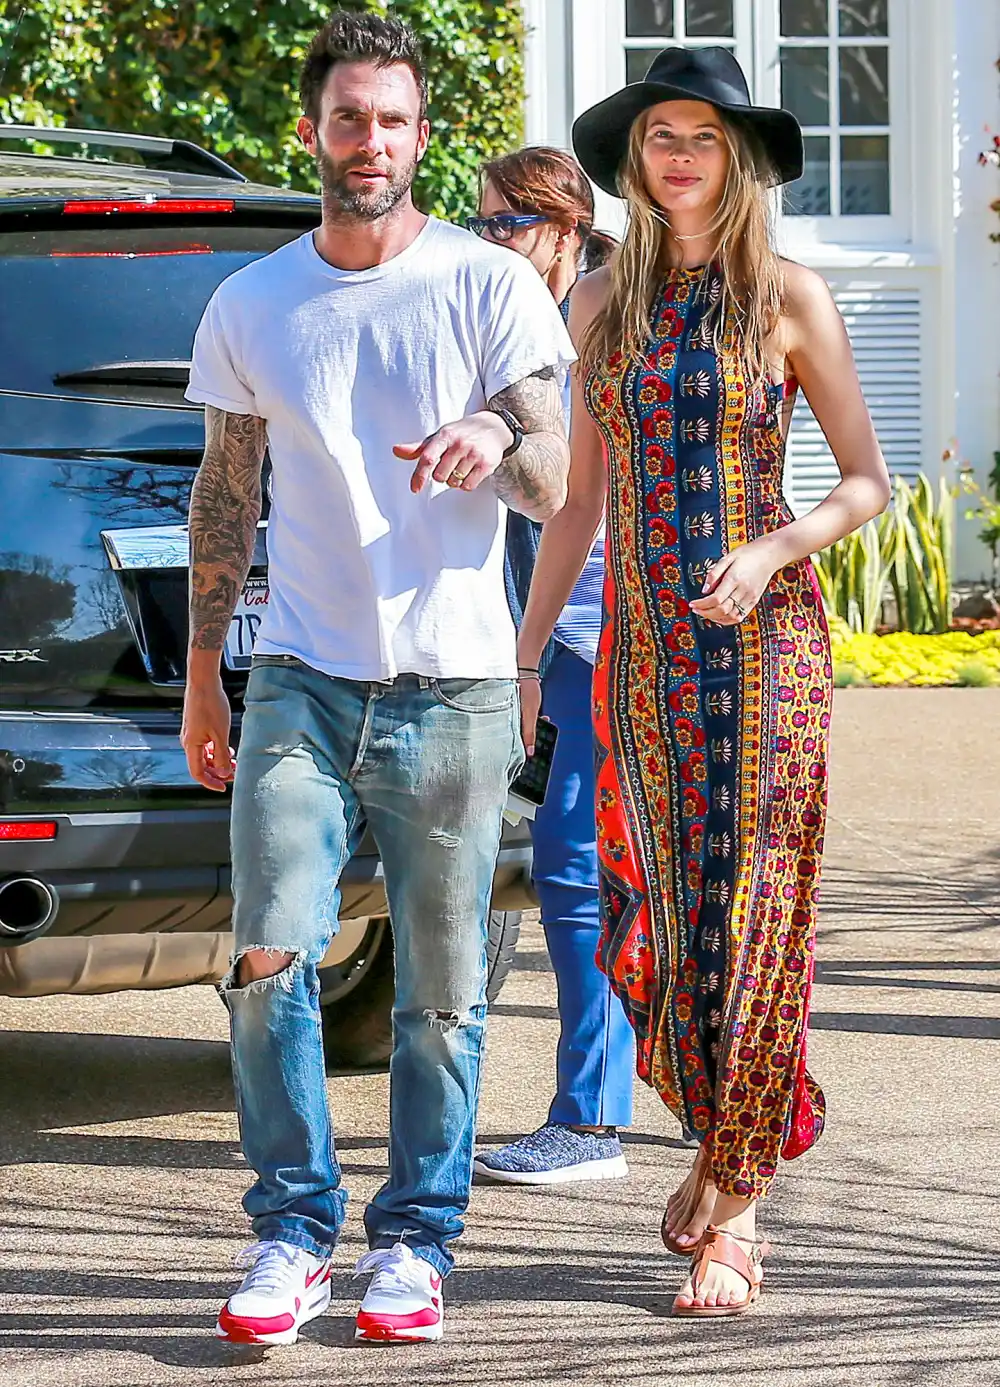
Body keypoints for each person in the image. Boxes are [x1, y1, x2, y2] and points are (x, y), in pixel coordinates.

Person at [181, 9, 574, 1347]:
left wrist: (485, 431)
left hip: (454, 687)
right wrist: (199, 675)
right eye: (349, 117)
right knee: (268, 946)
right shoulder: (254, 300)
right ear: (314, 130)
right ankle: (292, 1226)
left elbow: (552, 468)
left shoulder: (487, 284)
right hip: (299, 676)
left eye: (393, 120)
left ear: (420, 135)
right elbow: (225, 494)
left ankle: (415, 1239)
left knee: (440, 988)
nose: (370, 141)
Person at [515, 46, 890, 1317]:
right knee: (667, 919)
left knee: (756, 913)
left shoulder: (786, 295)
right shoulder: (599, 306)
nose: (680, 153)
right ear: (635, 159)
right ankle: (726, 1144)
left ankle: (732, 1205)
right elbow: (576, 507)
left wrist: (770, 548)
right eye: (660, 134)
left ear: (738, 159)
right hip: (641, 657)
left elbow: (863, 482)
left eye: (705, 135)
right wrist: (524, 657)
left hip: (766, 644)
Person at [464, 148, 638, 1187]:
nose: (491, 241)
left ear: (567, 228)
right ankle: (614, 1108)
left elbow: (572, 491)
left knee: (585, 868)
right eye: (481, 222)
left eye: (509, 224)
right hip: (566, 633)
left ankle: (592, 1121)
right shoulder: (522, 323)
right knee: (589, 869)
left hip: (630, 628)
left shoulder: (602, 322)